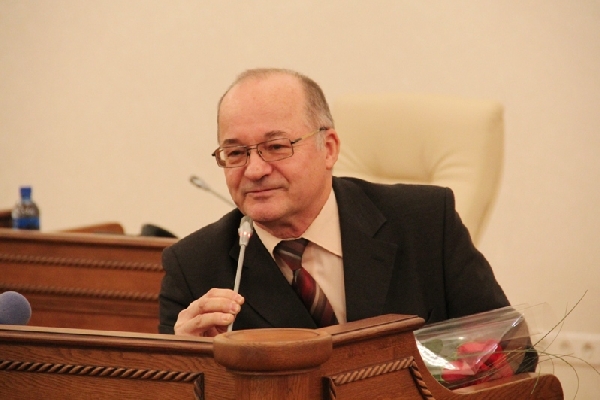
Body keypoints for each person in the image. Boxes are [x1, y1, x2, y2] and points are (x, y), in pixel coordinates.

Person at [158, 68, 511, 338]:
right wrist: (188, 364)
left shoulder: (426, 222)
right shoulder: (193, 267)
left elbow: (508, 350)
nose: (254, 170)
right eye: (236, 153)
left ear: (328, 149)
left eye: (276, 147)